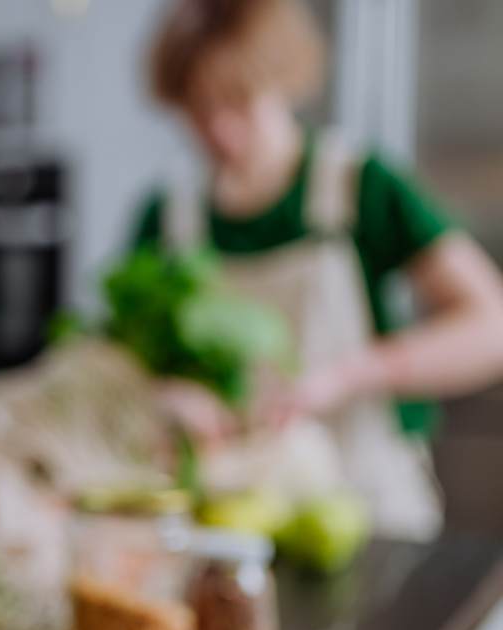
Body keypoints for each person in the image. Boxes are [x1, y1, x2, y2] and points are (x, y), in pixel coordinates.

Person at [128, 0, 503, 538]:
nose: (221, 132)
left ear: (282, 81)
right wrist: (164, 394)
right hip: (224, 526)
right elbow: (120, 366)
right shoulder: (167, 219)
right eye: (199, 110)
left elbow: (491, 327)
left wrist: (350, 374)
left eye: (237, 102)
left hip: (368, 513)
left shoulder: (360, 188)